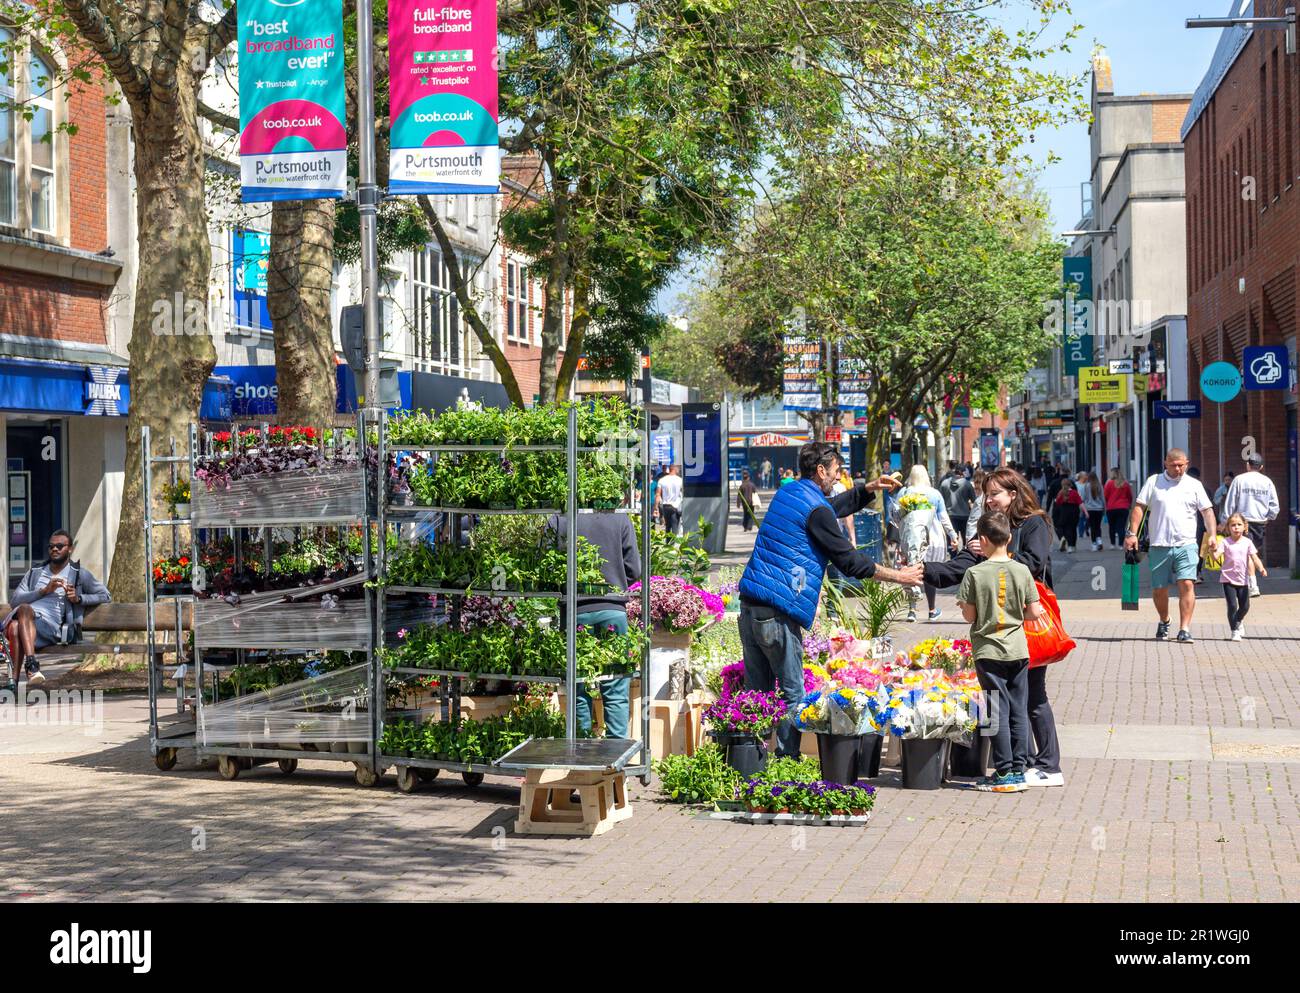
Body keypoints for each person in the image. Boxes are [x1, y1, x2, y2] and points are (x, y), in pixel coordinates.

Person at [737, 443, 921, 758]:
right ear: (821, 470)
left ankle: (750, 762)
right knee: (793, 692)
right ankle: (786, 763)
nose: (838, 478)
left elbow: (829, 506)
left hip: (751, 604)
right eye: (836, 471)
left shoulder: (790, 493)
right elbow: (849, 560)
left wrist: (867, 490)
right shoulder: (815, 508)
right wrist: (900, 576)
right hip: (778, 612)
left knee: (758, 693)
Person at [926, 468, 1062, 786]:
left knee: (1033, 696)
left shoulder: (1034, 523)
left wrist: (997, 552)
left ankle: (1048, 764)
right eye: (987, 494)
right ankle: (1021, 764)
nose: (989, 499)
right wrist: (926, 572)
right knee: (1015, 699)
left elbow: (1035, 562)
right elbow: (962, 564)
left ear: (1013, 494)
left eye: (995, 493)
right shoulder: (989, 527)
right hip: (1006, 629)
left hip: (1026, 623)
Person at [957, 511, 1044, 793]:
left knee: (996, 709)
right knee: (1019, 708)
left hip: (988, 652)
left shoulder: (974, 573)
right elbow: (1033, 612)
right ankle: (1020, 767)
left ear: (982, 540)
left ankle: (1003, 769)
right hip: (1018, 648)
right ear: (1009, 538)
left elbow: (969, 617)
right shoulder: (1022, 570)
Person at [548, 511, 641, 738]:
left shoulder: (559, 520)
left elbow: (547, 567)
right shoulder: (620, 520)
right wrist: (617, 583)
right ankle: (616, 757)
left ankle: (580, 749)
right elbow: (635, 570)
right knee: (616, 685)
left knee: (577, 686)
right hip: (613, 609)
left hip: (574, 612)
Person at [1125, 449, 1219, 644]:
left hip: (1187, 544)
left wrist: (1212, 535)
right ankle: (1164, 620)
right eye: (1174, 465)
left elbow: (1207, 511)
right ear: (1165, 463)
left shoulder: (1194, 485)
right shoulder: (1154, 481)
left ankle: (1184, 629)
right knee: (1160, 589)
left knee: (1186, 583)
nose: (1178, 469)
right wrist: (1132, 534)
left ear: (1187, 463)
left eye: (1181, 465)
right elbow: (1139, 507)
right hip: (1159, 545)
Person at [4, 529, 111, 697]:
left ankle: (21, 675)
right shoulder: (35, 572)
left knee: (20, 618)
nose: (54, 549)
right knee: (18, 622)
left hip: (51, 628)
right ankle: (25, 674)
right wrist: (44, 590)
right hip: (28, 623)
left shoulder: (78, 574)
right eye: (51, 546)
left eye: (59, 546)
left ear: (70, 549)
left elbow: (105, 595)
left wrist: (78, 598)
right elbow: (15, 600)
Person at [892, 465, 960, 622]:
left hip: (910, 537)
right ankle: (931, 610)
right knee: (930, 572)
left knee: (911, 571)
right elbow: (943, 517)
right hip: (932, 537)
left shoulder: (904, 492)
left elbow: (895, 517)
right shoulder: (934, 494)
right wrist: (953, 536)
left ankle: (912, 610)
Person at [1223, 456, 1279, 596]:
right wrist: (1268, 517)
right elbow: (1274, 506)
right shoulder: (1267, 482)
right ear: (1261, 467)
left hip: (1242, 521)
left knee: (1248, 553)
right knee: (1251, 552)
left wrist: (1226, 520)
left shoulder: (1239, 480)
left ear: (1248, 465)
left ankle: (1250, 585)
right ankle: (1251, 583)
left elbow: (1230, 502)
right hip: (1259, 522)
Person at [1219, 513, 1266, 642]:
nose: (1236, 527)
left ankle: (1238, 620)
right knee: (1232, 606)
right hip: (1227, 579)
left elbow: (1254, 557)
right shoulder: (1225, 542)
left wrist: (1261, 568)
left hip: (1243, 580)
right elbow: (1216, 556)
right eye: (1233, 525)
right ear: (1228, 528)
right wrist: (1213, 551)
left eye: (1239, 525)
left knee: (1245, 606)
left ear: (1245, 527)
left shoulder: (1247, 542)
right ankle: (1234, 631)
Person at [939, 461, 977, 545]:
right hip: (964, 515)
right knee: (966, 541)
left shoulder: (944, 483)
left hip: (950, 515)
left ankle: (953, 557)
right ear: (963, 472)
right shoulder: (967, 484)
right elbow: (974, 499)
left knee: (952, 541)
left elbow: (940, 500)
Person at [1103, 469, 1133, 549]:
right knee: (1121, 526)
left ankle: (1112, 544)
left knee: (1111, 526)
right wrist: (1129, 504)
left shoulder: (1109, 484)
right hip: (1123, 507)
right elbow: (1129, 496)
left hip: (1111, 508)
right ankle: (1120, 545)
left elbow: (1105, 496)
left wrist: (1107, 504)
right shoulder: (1125, 484)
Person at [1052, 479, 1082, 553]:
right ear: (1070, 484)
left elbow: (1057, 502)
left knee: (1067, 529)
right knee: (1073, 529)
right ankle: (1073, 546)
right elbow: (1080, 502)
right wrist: (1084, 512)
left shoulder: (1061, 493)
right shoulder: (1074, 492)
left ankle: (1069, 545)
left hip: (1064, 511)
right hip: (1074, 511)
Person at [1079, 471, 1105, 551]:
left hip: (1090, 509)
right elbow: (1102, 498)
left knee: (1092, 527)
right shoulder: (1099, 485)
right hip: (1099, 509)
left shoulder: (1086, 486)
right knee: (1098, 526)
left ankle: (1094, 544)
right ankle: (1099, 541)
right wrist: (1104, 507)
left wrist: (1083, 508)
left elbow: (1083, 498)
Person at [656, 463, 684, 535]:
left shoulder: (662, 480)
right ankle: (672, 544)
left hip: (665, 506)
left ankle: (667, 543)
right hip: (675, 506)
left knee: (667, 527)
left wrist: (656, 508)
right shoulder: (680, 480)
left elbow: (658, 494)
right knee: (675, 528)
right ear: (675, 469)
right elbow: (683, 493)